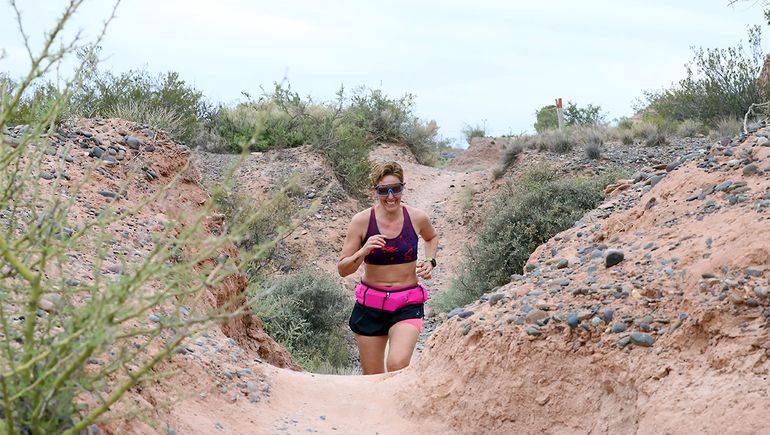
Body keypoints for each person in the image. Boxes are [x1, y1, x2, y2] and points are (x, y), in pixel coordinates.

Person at [337, 161, 438, 375]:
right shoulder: (362, 221)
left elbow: (431, 236)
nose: (391, 196)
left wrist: (430, 261)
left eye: (396, 189)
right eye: (383, 191)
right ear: (376, 191)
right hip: (370, 306)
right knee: (373, 378)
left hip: (407, 303)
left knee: (397, 364)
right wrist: (363, 251)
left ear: (403, 187)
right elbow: (343, 269)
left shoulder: (417, 218)